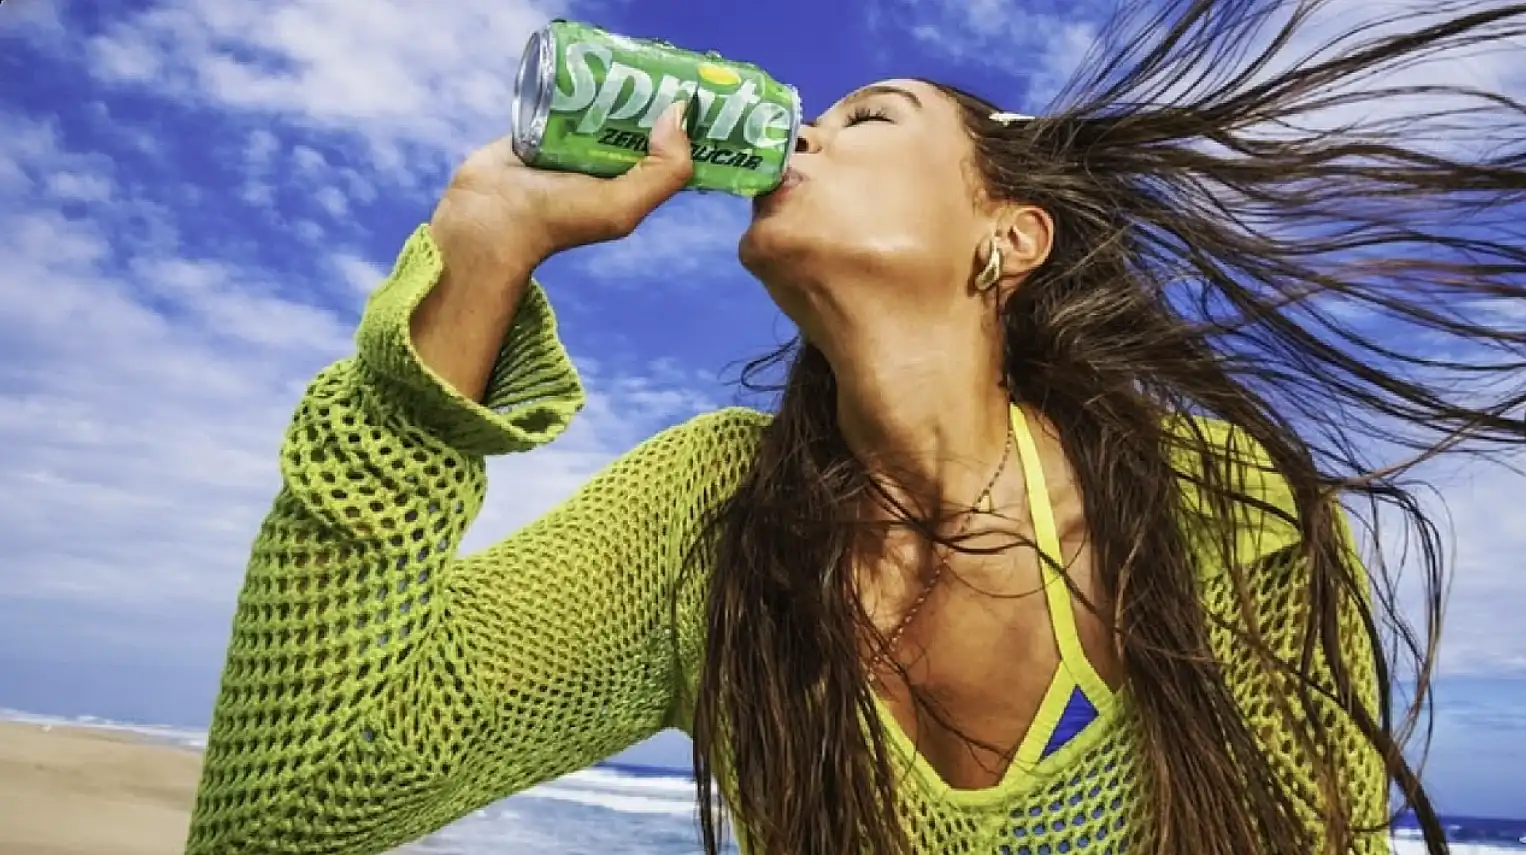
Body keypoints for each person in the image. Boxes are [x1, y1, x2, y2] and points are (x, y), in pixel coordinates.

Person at [183, 0, 1526, 852]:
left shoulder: (1214, 509)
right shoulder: (709, 517)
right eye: (810, 121)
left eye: (866, 116)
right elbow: (292, 807)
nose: (804, 137)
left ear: (1010, 236)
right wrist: (478, 256)